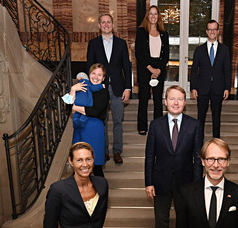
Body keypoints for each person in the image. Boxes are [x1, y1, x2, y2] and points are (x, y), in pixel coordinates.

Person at [144, 85, 204, 228]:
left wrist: (197, 184)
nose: (175, 102)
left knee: (185, 217)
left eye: (179, 99)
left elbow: (197, 157)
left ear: (185, 103)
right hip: (160, 180)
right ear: (165, 102)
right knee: (161, 217)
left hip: (185, 181)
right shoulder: (155, 125)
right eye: (172, 99)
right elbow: (149, 156)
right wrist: (148, 182)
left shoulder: (195, 125)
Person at [87, 13, 132, 164]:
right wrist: (92, 87)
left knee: (118, 121)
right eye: (103, 22)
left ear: (113, 25)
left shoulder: (121, 43)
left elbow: (127, 66)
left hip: (118, 88)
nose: (106, 25)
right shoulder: (93, 44)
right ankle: (104, 151)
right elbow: (89, 67)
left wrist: (128, 88)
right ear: (99, 26)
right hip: (100, 89)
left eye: (109, 22)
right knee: (102, 121)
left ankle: (117, 151)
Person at [190, 20, 231, 138]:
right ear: (206, 32)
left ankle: (216, 143)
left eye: (214, 29)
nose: (212, 32)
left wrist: (227, 88)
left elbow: (227, 71)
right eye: (210, 29)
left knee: (216, 118)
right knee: (200, 118)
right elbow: (194, 70)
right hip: (202, 88)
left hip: (218, 88)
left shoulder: (224, 50)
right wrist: (193, 87)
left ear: (218, 31)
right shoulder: (199, 50)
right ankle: (199, 144)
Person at [70, 64, 110, 177]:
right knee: (78, 167)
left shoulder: (103, 91)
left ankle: (101, 194)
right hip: (79, 128)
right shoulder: (82, 87)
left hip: (95, 129)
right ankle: (79, 194)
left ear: (103, 78)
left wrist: (74, 107)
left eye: (99, 75)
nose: (96, 77)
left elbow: (95, 111)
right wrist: (73, 90)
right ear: (89, 74)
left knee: (96, 167)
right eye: (93, 73)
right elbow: (66, 104)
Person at [135, 5, 169, 136]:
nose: (153, 16)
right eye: (151, 14)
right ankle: (142, 126)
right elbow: (139, 53)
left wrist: (158, 69)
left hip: (159, 68)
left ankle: (158, 127)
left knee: (158, 100)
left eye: (155, 14)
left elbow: (166, 54)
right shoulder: (141, 32)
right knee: (143, 98)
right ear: (147, 17)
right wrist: (150, 69)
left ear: (158, 17)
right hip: (145, 67)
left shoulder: (164, 34)